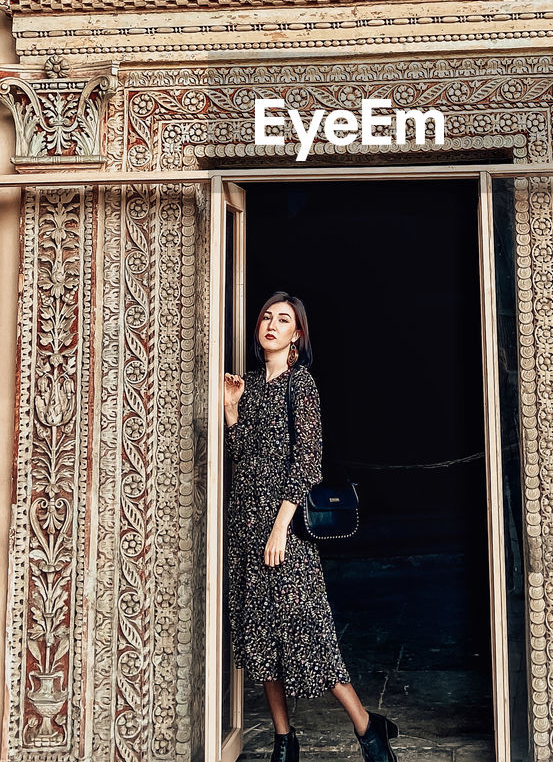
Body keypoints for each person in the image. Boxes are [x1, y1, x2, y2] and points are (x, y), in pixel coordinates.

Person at [223, 290, 399, 762]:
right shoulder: (252, 385)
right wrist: (232, 410)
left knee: (310, 632)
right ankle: (284, 740)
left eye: (284, 320)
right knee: (260, 638)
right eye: (266, 317)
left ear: (297, 335)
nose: (272, 325)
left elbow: (306, 463)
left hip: (285, 529)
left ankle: (367, 729)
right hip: (244, 525)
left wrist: (281, 528)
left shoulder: (302, 385)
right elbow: (243, 463)